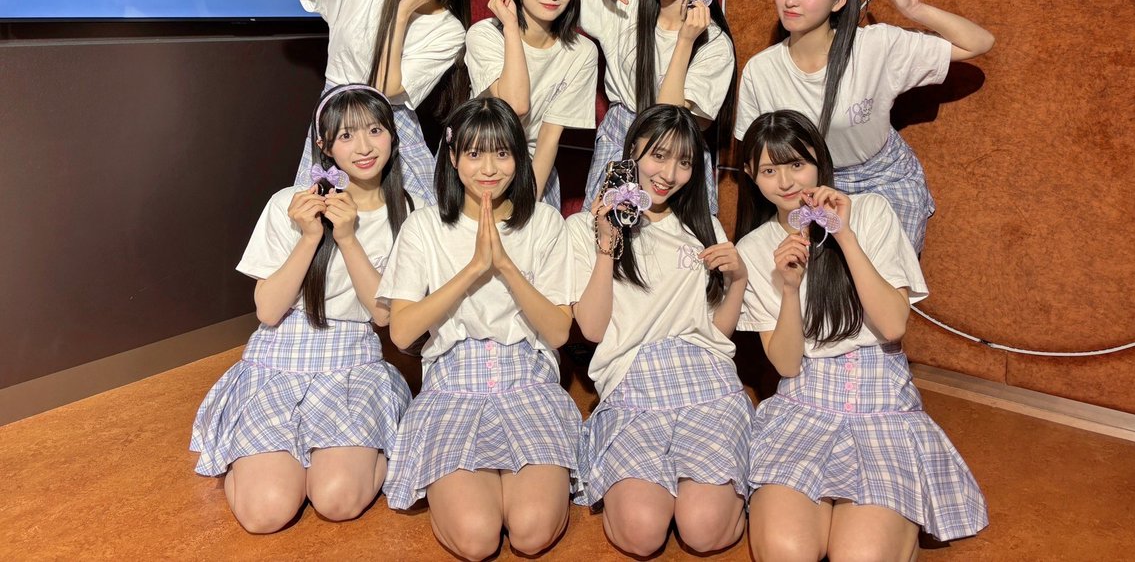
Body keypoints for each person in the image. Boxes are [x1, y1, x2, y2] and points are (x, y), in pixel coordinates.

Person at [735, 109, 988, 561]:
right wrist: (789, 289)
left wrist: (845, 236)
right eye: (770, 170)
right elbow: (787, 365)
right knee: (787, 553)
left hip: (881, 404)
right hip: (804, 403)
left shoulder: (870, 211)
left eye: (797, 164)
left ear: (820, 161)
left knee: (860, 557)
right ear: (751, 175)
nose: (786, 182)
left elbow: (892, 325)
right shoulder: (753, 248)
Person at [190, 84, 413, 533]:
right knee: (265, 513)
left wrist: (347, 238)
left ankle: (336, 457)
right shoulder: (287, 204)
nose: (364, 147)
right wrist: (310, 236)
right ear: (324, 146)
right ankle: (259, 458)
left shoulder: (404, 212)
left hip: (352, 364)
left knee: (337, 501)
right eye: (346, 136)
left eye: (375, 130)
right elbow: (268, 312)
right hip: (277, 360)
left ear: (392, 135)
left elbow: (383, 315)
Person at [377, 97, 579, 561]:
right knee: (477, 537)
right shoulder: (424, 226)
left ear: (518, 157)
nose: (489, 168)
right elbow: (402, 333)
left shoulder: (546, 223)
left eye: (502, 153)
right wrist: (473, 269)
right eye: (474, 154)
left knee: (531, 532)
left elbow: (558, 333)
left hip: (528, 380)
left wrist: (504, 265)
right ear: (453, 157)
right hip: (453, 384)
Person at [734, 0, 994, 252]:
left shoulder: (875, 46)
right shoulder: (760, 71)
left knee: (883, 281)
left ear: (839, 0)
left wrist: (914, 9)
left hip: (883, 182)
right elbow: (758, 159)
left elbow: (979, 42)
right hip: (808, 191)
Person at [569, 104, 750, 556]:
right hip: (631, 385)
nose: (669, 174)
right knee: (641, 532)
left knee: (704, 530)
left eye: (684, 162)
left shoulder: (704, 226)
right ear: (632, 150)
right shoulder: (582, 228)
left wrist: (739, 281)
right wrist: (606, 245)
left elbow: (716, 334)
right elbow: (591, 329)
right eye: (659, 155)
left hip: (706, 382)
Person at [265, 0, 473, 206]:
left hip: (391, 127)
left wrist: (401, 14)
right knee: (322, 217)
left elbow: (384, 89)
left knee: (408, 225)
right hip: (336, 120)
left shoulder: (449, 30)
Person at [578, 0, 735, 213]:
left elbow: (670, 124)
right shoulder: (626, 3)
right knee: (601, 237)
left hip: (676, 161)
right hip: (619, 142)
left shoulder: (714, 42)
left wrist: (685, 41)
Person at [465, 0, 598, 207]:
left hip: (534, 165)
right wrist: (511, 26)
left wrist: (528, 202)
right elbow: (515, 105)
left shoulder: (582, 52)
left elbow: (550, 136)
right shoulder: (485, 34)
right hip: (477, 153)